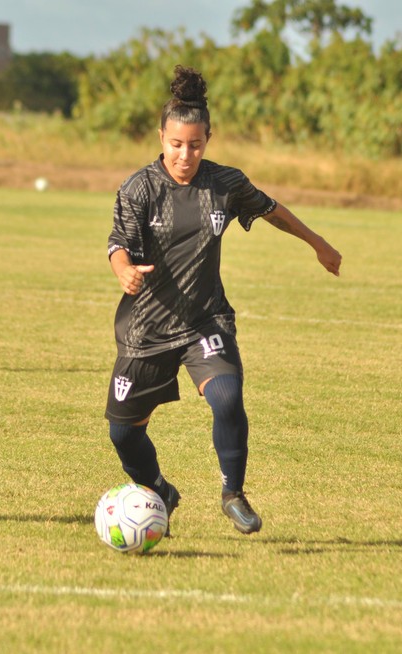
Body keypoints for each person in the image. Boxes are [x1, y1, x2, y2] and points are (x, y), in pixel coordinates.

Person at [104, 65, 342, 536]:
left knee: (228, 396)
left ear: (208, 139)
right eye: (175, 144)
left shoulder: (225, 183)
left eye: (195, 144)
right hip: (146, 327)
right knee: (122, 433)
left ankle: (232, 493)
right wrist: (125, 271)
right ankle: (160, 490)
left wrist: (317, 242)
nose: (185, 154)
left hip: (204, 319)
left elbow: (272, 211)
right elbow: (117, 245)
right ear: (161, 137)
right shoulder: (139, 189)